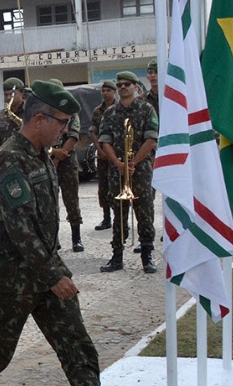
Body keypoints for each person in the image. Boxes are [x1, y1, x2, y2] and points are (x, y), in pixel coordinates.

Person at [0, 79, 160, 386]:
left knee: (76, 344)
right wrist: (54, 276)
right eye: (62, 122)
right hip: (12, 276)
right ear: (39, 119)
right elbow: (20, 230)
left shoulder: (40, 155)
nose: (67, 130)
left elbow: (41, 229)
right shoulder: (10, 160)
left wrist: (53, 272)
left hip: (46, 268)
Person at [98, 71, 159, 274]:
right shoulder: (110, 113)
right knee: (119, 215)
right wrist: (118, 163)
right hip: (117, 170)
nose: (123, 87)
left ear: (135, 87)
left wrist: (133, 162)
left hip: (140, 170)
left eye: (127, 84)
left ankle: (147, 255)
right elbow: (104, 140)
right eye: (120, 84)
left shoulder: (146, 109)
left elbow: (151, 140)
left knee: (144, 212)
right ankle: (117, 256)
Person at [50, 99, 85, 253]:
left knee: (71, 200)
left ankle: (76, 238)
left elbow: (73, 136)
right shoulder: (45, 112)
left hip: (67, 161)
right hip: (48, 160)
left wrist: (58, 157)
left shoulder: (72, 112)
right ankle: (54, 238)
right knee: (50, 201)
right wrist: (52, 152)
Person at [90, 80, 118, 231]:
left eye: (108, 90)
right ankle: (106, 218)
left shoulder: (120, 108)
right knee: (103, 187)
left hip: (116, 154)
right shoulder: (97, 111)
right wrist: (99, 150)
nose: (105, 93)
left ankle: (120, 218)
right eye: (103, 90)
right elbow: (93, 131)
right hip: (102, 156)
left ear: (114, 92)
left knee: (117, 187)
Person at [0, 77, 25, 154]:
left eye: (12, 94)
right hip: (5, 160)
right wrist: (4, 154)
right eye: (6, 95)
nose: (8, 98)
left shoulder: (31, 113)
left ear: (22, 93)